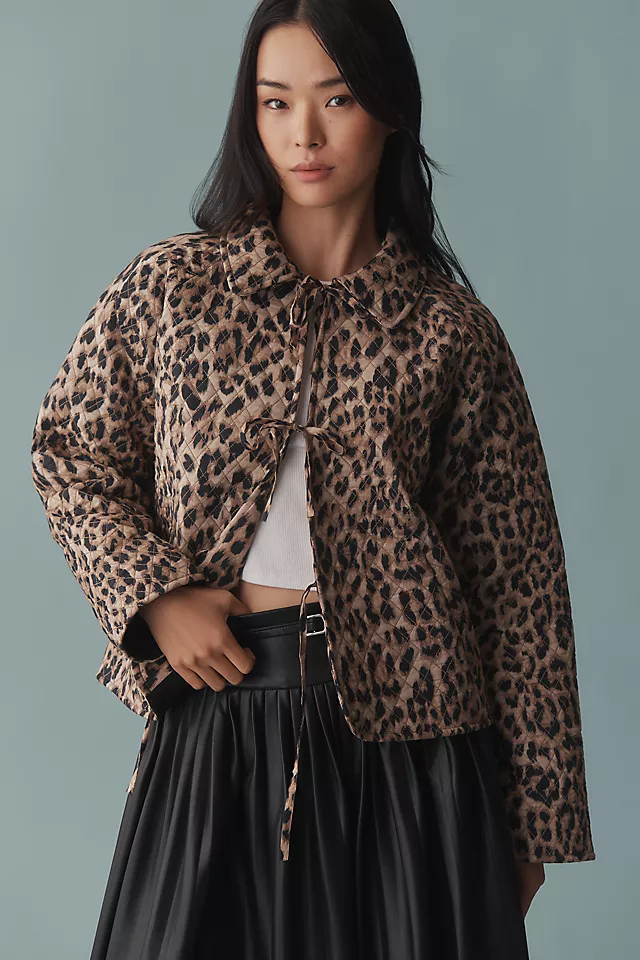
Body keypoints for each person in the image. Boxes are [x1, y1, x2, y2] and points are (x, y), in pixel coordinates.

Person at [30, 1, 595, 958]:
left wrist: (535, 821)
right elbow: (67, 451)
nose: (305, 134)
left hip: (417, 754)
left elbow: (521, 589)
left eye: (336, 99)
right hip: (219, 719)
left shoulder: (452, 332)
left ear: (391, 106)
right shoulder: (171, 290)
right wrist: (154, 597)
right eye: (275, 101)